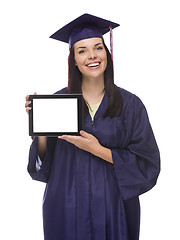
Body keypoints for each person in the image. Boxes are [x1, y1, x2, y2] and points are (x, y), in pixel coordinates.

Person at [25, 13, 160, 240]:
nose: (92, 56)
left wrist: (98, 150)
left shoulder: (130, 104)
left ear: (107, 53)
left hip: (115, 209)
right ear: (74, 60)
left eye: (98, 48)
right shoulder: (58, 102)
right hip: (65, 209)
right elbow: (41, 167)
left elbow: (148, 163)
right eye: (82, 51)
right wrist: (39, 128)